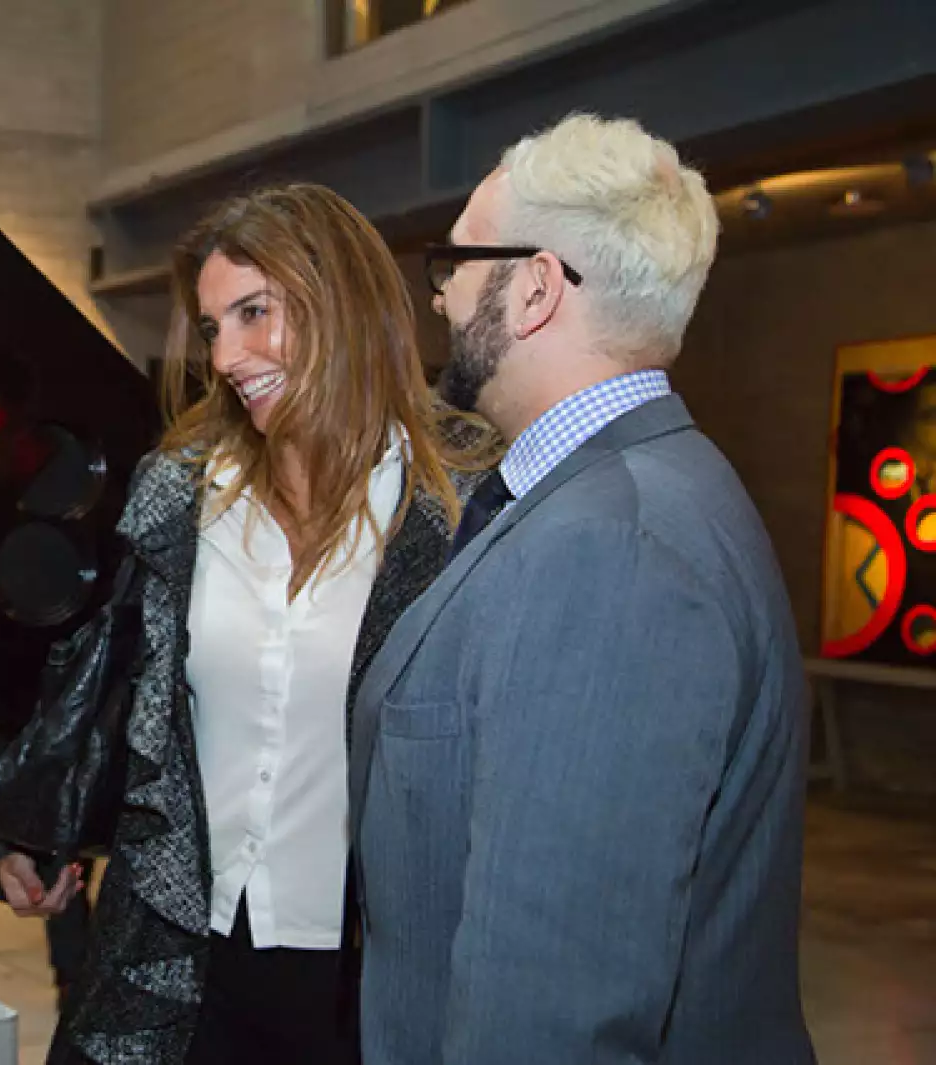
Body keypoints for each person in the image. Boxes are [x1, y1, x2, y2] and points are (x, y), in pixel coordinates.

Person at [0, 183, 496, 1064]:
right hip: (179, 955)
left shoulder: (458, 502)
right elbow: (110, 679)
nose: (225, 356)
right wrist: (28, 822)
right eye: (214, 327)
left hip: (373, 975)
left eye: (255, 313)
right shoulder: (183, 488)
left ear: (342, 300)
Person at [350, 113, 816, 1064]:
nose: (440, 297)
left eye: (458, 263)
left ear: (533, 289)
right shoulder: (622, 493)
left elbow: (551, 1002)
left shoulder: (612, 548)